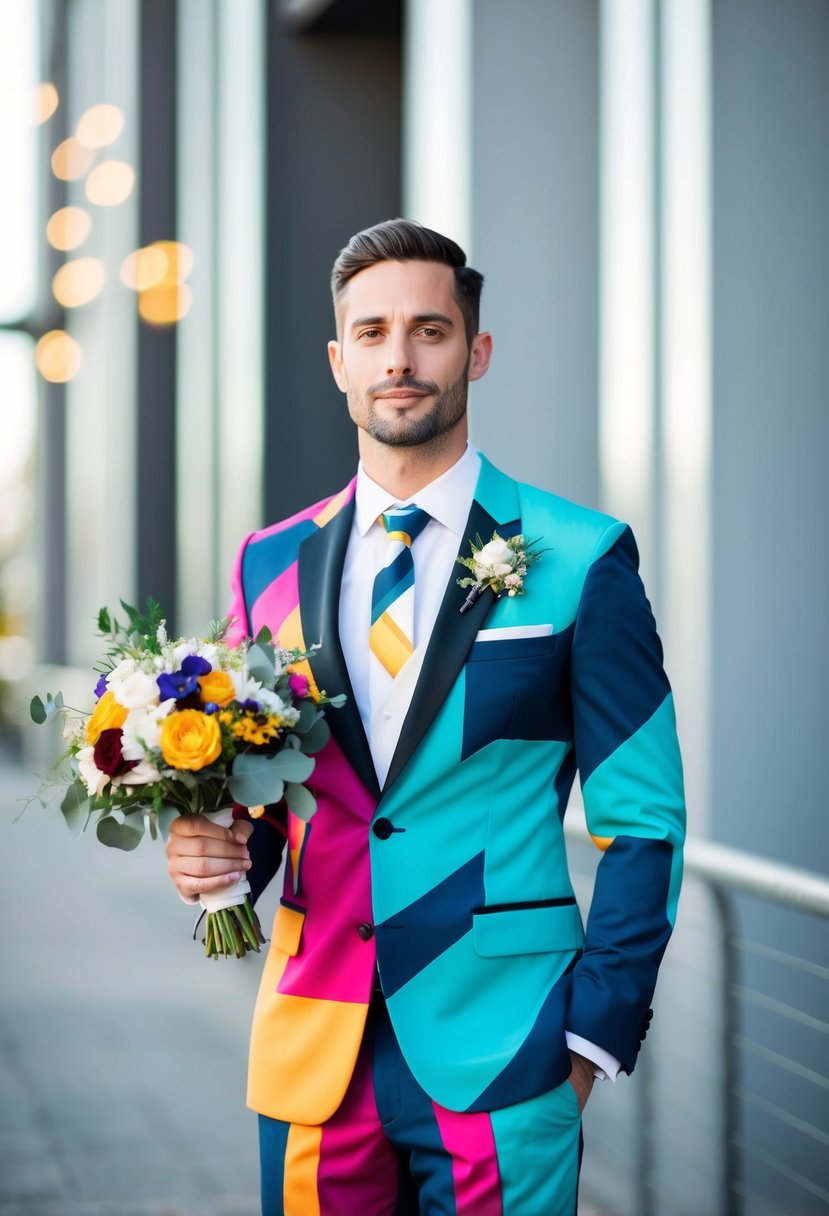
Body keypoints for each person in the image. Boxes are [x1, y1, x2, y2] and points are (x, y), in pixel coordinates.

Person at [166, 219, 685, 1215]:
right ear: (336, 360)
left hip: (507, 1047)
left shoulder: (580, 556)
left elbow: (645, 821)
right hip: (316, 1051)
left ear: (475, 351)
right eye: (370, 333)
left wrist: (588, 1040)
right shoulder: (266, 563)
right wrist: (211, 859)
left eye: (428, 330)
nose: (398, 358)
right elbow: (263, 800)